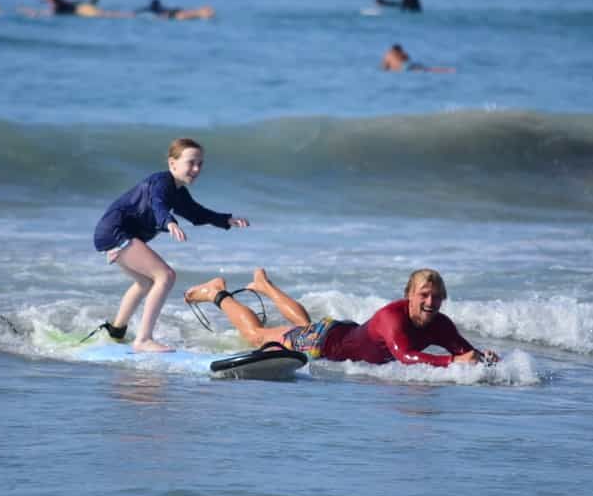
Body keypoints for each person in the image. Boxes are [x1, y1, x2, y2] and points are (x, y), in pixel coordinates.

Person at [93, 138, 250, 352]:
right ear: (172, 163)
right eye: (191, 162)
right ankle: (143, 340)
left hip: (114, 233)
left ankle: (116, 331)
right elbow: (157, 203)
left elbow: (197, 213)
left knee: (146, 283)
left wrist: (226, 220)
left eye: (200, 163)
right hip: (116, 232)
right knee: (165, 276)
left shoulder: (178, 192)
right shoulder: (161, 182)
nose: (196, 169)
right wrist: (169, 222)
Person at [185, 268, 499, 367]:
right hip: (324, 343)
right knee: (257, 335)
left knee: (301, 325)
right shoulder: (393, 316)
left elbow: (462, 350)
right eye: (424, 295)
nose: (431, 302)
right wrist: (452, 364)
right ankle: (217, 293)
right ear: (409, 295)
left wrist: (485, 360)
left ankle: (266, 286)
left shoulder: (440, 323)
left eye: (437, 296)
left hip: (339, 332)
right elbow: (405, 356)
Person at [381, 43, 456, 73]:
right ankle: (448, 70)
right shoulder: (401, 54)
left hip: (405, 69)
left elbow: (384, 68)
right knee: (428, 69)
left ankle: (447, 70)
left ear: (392, 49)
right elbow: (408, 58)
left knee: (427, 70)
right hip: (409, 66)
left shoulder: (388, 55)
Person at [136, 0, 215, 20]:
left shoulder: (150, 9)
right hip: (173, 11)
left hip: (171, 13)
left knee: (189, 15)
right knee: (190, 13)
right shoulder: (159, 7)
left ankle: (202, 12)